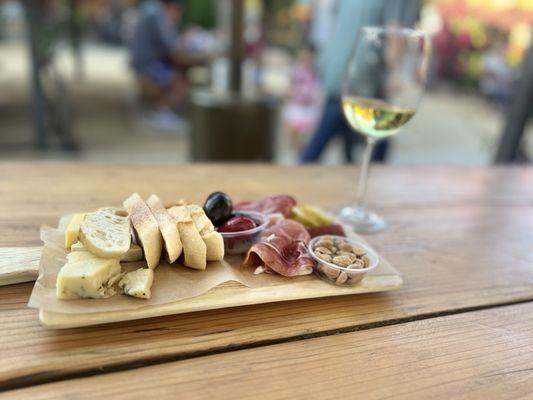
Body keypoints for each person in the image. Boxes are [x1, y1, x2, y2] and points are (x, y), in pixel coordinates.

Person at [301, 0, 419, 163]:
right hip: (363, 78)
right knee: (378, 143)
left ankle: (352, 180)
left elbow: (333, 23)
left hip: (335, 69)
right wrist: (397, 75)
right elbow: (395, 34)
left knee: (344, 138)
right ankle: (365, 182)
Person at [129, 0, 191, 129]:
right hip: (147, 66)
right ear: (173, 7)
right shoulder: (156, 15)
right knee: (181, 82)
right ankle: (159, 111)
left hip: (143, 63)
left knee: (179, 74)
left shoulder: (151, 9)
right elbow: (172, 46)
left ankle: (162, 110)